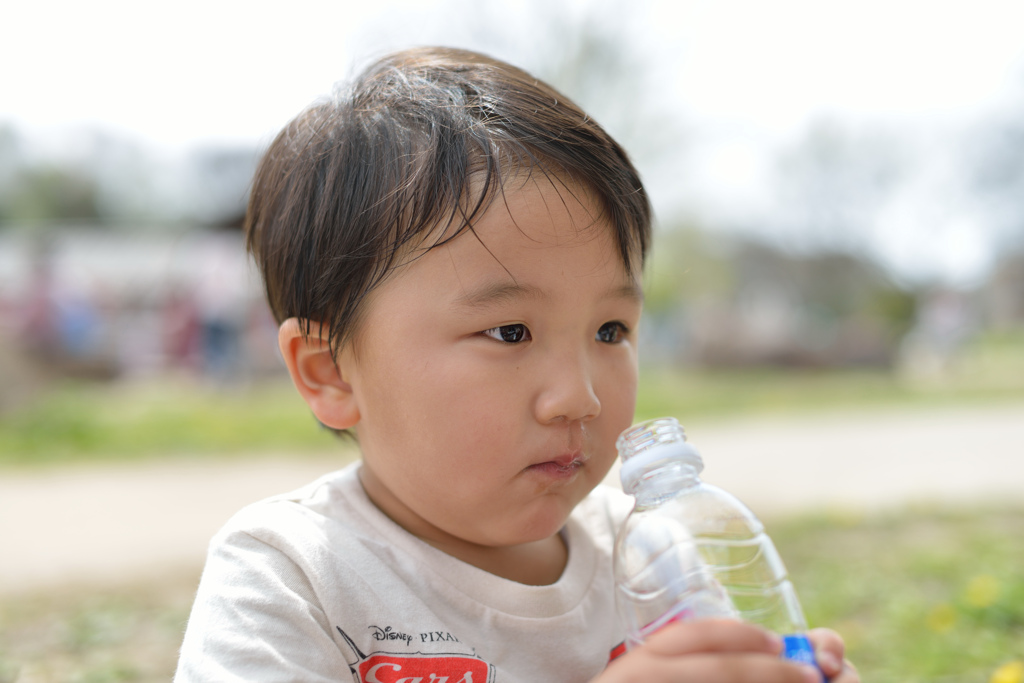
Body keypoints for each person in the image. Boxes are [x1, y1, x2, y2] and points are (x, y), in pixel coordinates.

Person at [175, 47, 858, 683]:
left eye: (610, 329)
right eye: (510, 331)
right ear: (331, 372)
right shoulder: (290, 573)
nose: (579, 397)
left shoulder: (652, 558)